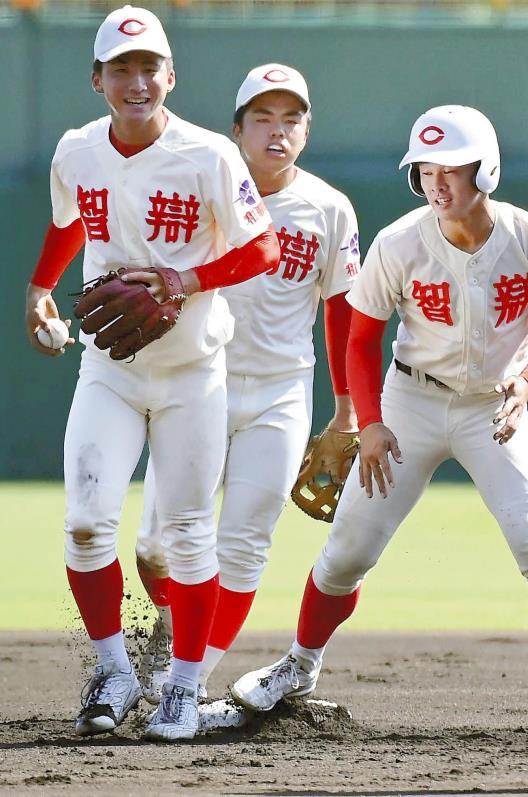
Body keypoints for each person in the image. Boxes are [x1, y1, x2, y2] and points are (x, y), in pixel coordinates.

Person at [230, 104, 528, 745]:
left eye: (451, 169)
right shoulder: (399, 242)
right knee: (346, 553)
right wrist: (369, 422)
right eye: (425, 170)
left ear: (485, 169)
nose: (437, 184)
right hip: (410, 403)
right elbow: (362, 340)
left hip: (494, 410)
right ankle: (299, 667)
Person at [24, 5, 280, 741]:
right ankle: (114, 670)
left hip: (193, 372)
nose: (136, 82)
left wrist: (182, 279)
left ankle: (184, 686)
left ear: (171, 76)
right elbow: (72, 219)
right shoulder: (76, 150)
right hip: (110, 367)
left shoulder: (208, 155)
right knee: (84, 524)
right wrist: (40, 288)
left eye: (148, 68)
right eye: (121, 69)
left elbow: (262, 249)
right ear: (96, 79)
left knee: (189, 537)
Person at [131, 63, 359, 720]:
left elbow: (343, 311)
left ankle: (185, 681)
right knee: (156, 546)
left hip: (280, 393)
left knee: (244, 542)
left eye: (291, 119)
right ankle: (172, 626)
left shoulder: (329, 208)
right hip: (195, 382)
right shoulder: (202, 189)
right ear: (237, 130)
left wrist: (346, 409)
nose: (277, 131)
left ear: (307, 132)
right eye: (263, 118)